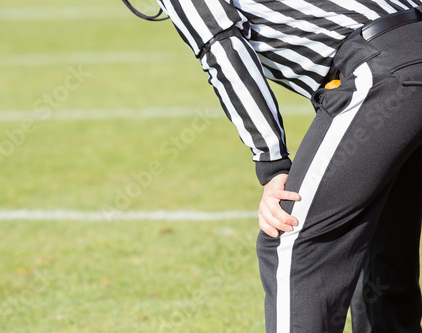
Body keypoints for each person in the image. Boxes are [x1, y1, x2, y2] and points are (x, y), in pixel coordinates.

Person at [122, 0, 422, 331]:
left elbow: (223, 47)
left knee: (292, 243)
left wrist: (272, 162)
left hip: (381, 68)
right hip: (408, 44)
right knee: (379, 257)